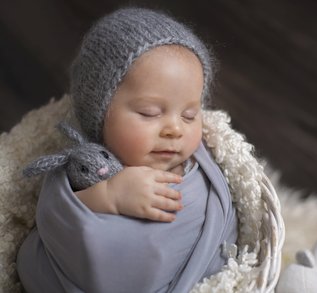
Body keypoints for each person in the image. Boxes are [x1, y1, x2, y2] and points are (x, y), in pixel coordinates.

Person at [17, 7, 238, 293]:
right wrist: (108, 196)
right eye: (149, 113)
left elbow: (229, 227)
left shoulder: (202, 168)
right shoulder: (90, 169)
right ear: (101, 114)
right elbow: (56, 220)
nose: (175, 129)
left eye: (189, 115)